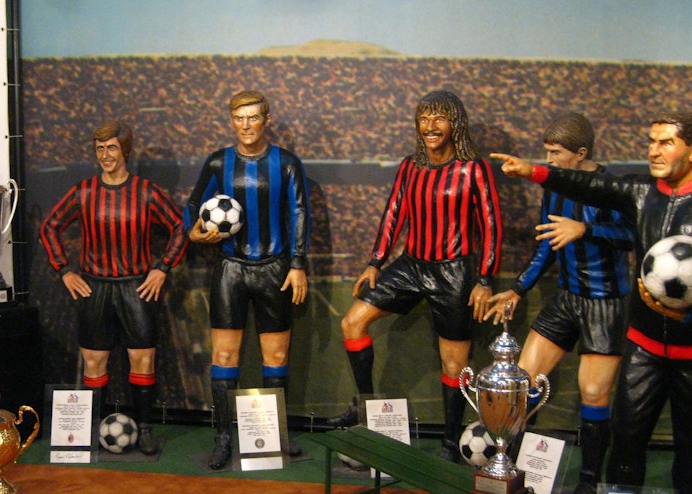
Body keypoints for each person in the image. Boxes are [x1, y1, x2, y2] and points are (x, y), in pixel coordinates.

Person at [491, 109, 692, 494]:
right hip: (609, 322)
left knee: (681, 442)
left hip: (621, 312)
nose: (653, 150)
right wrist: (534, 173)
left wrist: (586, 230)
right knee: (620, 437)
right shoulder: (635, 190)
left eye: (666, 142)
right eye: (651, 141)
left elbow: (619, 228)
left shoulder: (632, 194)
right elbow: (563, 215)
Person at [328, 89, 503, 464]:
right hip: (411, 265)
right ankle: (364, 407)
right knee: (352, 322)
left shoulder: (474, 169)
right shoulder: (410, 166)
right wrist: (376, 261)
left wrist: (485, 279)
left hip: (454, 272)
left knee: (454, 364)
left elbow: (491, 226)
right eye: (424, 118)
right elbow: (393, 213)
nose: (430, 126)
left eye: (439, 118)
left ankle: (450, 443)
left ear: (455, 124)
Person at [483, 112, 635, 494]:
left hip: (604, 302)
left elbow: (631, 235)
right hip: (566, 298)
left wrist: (585, 230)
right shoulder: (553, 187)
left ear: (581, 153)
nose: (549, 160)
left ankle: (589, 485)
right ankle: (508, 467)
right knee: (522, 381)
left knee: (593, 393)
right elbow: (546, 245)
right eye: (546, 152)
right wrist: (518, 288)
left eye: (556, 153)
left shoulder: (612, 187)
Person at [40, 119, 187, 456]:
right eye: (99, 149)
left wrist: (163, 268)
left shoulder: (146, 192)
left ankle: (145, 427)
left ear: (125, 151)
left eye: (111, 148)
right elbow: (49, 227)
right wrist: (64, 271)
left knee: (143, 359)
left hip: (136, 286)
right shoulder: (84, 192)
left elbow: (180, 227)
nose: (105, 155)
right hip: (94, 287)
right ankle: (93, 427)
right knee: (94, 361)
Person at [185, 90, 310, 470]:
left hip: (275, 269)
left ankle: (277, 435)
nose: (246, 125)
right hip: (231, 269)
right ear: (232, 121)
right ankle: (223, 438)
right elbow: (193, 205)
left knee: (276, 357)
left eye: (253, 117)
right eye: (239, 118)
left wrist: (297, 264)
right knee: (224, 356)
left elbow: (299, 211)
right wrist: (194, 232)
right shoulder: (218, 162)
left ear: (266, 120)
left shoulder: (286, 163)